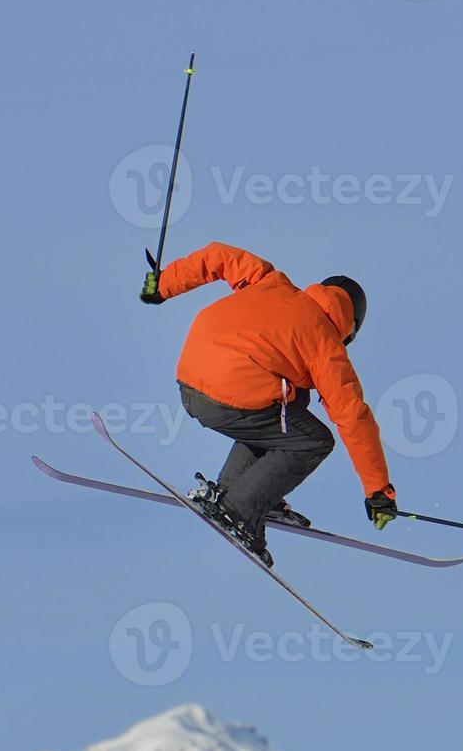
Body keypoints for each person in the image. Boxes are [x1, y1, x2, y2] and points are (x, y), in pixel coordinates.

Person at [140, 241, 398, 566]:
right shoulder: (325, 344)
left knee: (290, 406)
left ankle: (239, 490)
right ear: (351, 328)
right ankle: (240, 508)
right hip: (229, 394)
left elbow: (220, 256)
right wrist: (378, 490)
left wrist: (165, 283)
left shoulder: (271, 282)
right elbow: (353, 417)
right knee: (314, 441)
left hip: (190, 377)